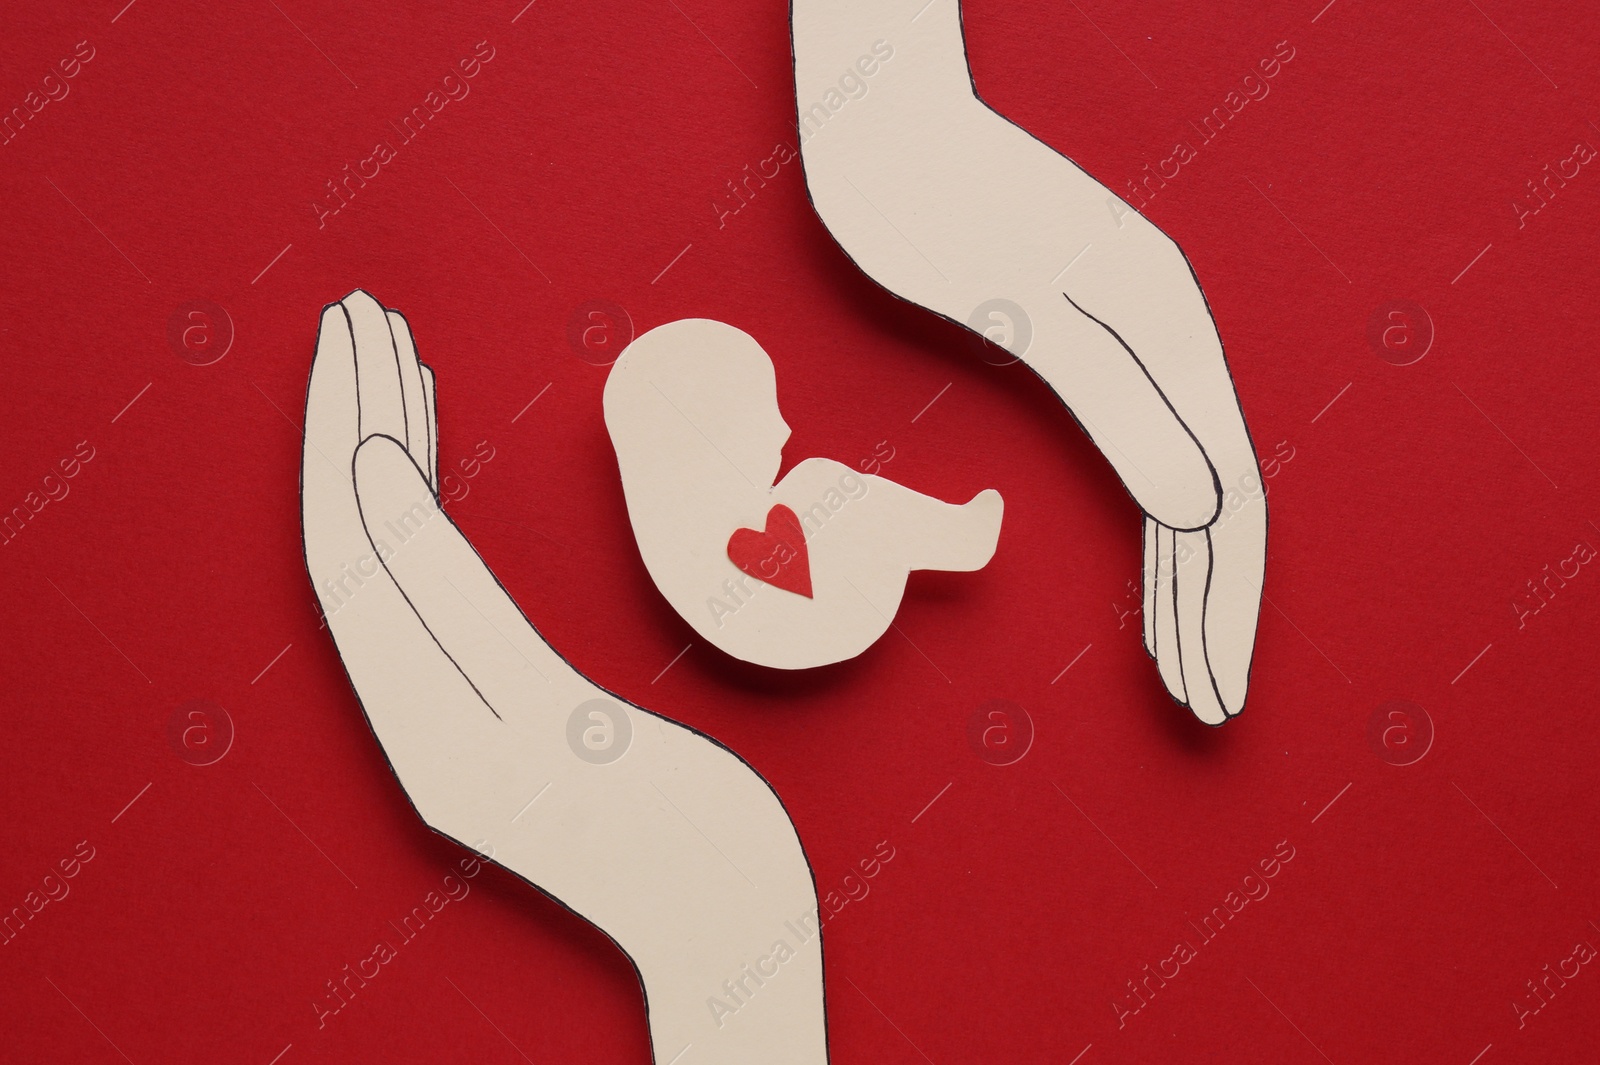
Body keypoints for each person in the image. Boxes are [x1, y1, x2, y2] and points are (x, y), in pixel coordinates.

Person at [605, 318, 1003, 669]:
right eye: (763, 414)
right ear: (706, 434)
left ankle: (951, 537)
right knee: (823, 484)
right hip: (822, 616)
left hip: (813, 614)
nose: (784, 431)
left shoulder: (676, 529)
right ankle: (957, 536)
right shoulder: (689, 536)